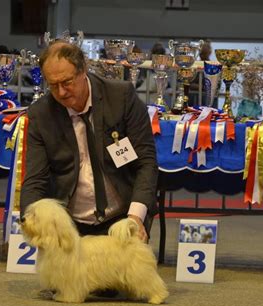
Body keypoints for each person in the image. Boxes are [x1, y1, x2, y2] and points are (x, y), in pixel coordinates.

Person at [20, 40, 159, 242]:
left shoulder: (121, 97)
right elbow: (35, 179)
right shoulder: (40, 114)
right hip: (68, 227)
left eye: (67, 82)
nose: (60, 92)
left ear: (83, 69)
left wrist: (135, 217)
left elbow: (146, 162)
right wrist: (29, 219)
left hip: (122, 219)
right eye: (53, 85)